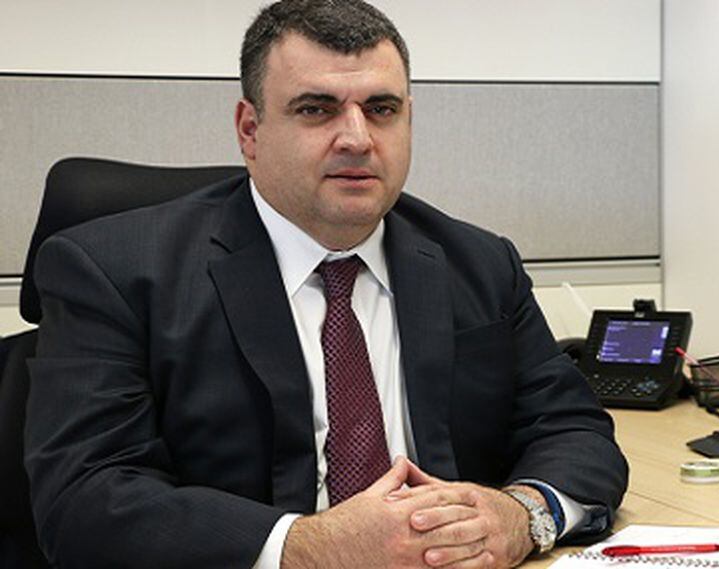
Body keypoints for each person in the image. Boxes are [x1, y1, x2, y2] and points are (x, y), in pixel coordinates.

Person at [24, 1, 628, 567]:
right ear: (250, 130)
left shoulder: (479, 263)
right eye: (316, 109)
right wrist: (312, 546)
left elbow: (574, 429)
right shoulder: (113, 271)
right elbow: (85, 498)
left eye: (382, 109)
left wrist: (523, 515)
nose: (358, 138)